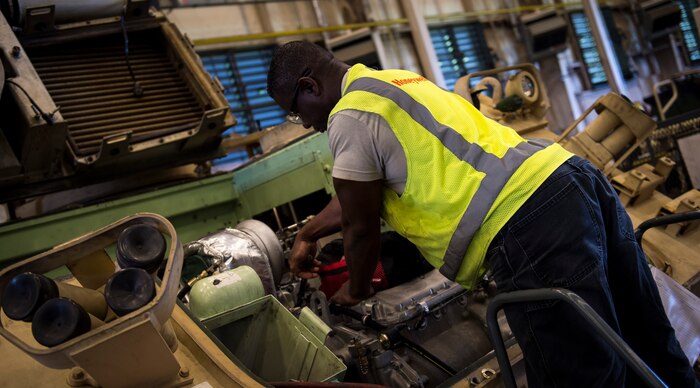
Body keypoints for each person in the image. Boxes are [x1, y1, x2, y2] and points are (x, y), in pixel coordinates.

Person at [266, 40, 698, 387]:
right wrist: (309, 232)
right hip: (571, 179)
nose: (303, 123)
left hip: (528, 223)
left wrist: (355, 291)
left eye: (294, 109)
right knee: (648, 339)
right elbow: (361, 187)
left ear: (310, 87)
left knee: (580, 372)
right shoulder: (390, 82)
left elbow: (361, 228)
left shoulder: (348, 116)